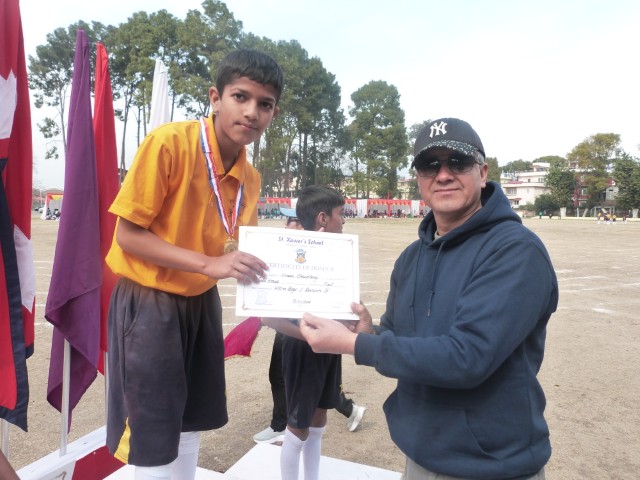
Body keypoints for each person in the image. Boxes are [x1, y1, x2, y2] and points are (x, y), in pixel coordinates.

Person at [299, 118, 558, 480]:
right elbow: (400, 338)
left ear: (483, 172)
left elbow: (468, 357)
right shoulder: (411, 257)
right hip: (420, 455)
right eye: (430, 164)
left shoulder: (515, 250)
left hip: (491, 465)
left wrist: (354, 345)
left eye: (459, 162)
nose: (444, 174)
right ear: (419, 178)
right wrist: (370, 332)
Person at [104, 49, 283, 480]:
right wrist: (209, 264)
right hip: (151, 301)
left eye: (265, 104)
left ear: (273, 113)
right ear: (215, 98)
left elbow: (243, 251)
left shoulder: (250, 177)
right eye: (240, 96)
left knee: (190, 421)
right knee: (153, 432)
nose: (252, 112)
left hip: (201, 303)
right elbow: (127, 235)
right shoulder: (169, 143)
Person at [253, 208, 366, 445]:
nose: (290, 225)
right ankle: (280, 424)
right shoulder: (282, 253)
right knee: (287, 391)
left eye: (294, 221)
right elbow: (268, 316)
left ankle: (287, 423)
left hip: (316, 344)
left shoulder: (334, 256)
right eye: (290, 221)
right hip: (299, 339)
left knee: (314, 414)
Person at [260, 186, 351, 480]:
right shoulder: (288, 255)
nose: (344, 221)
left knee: (319, 417)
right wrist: (310, 336)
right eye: (340, 214)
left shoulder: (338, 256)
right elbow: (269, 317)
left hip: (328, 347)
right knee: (298, 425)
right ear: (323, 218)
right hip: (303, 349)